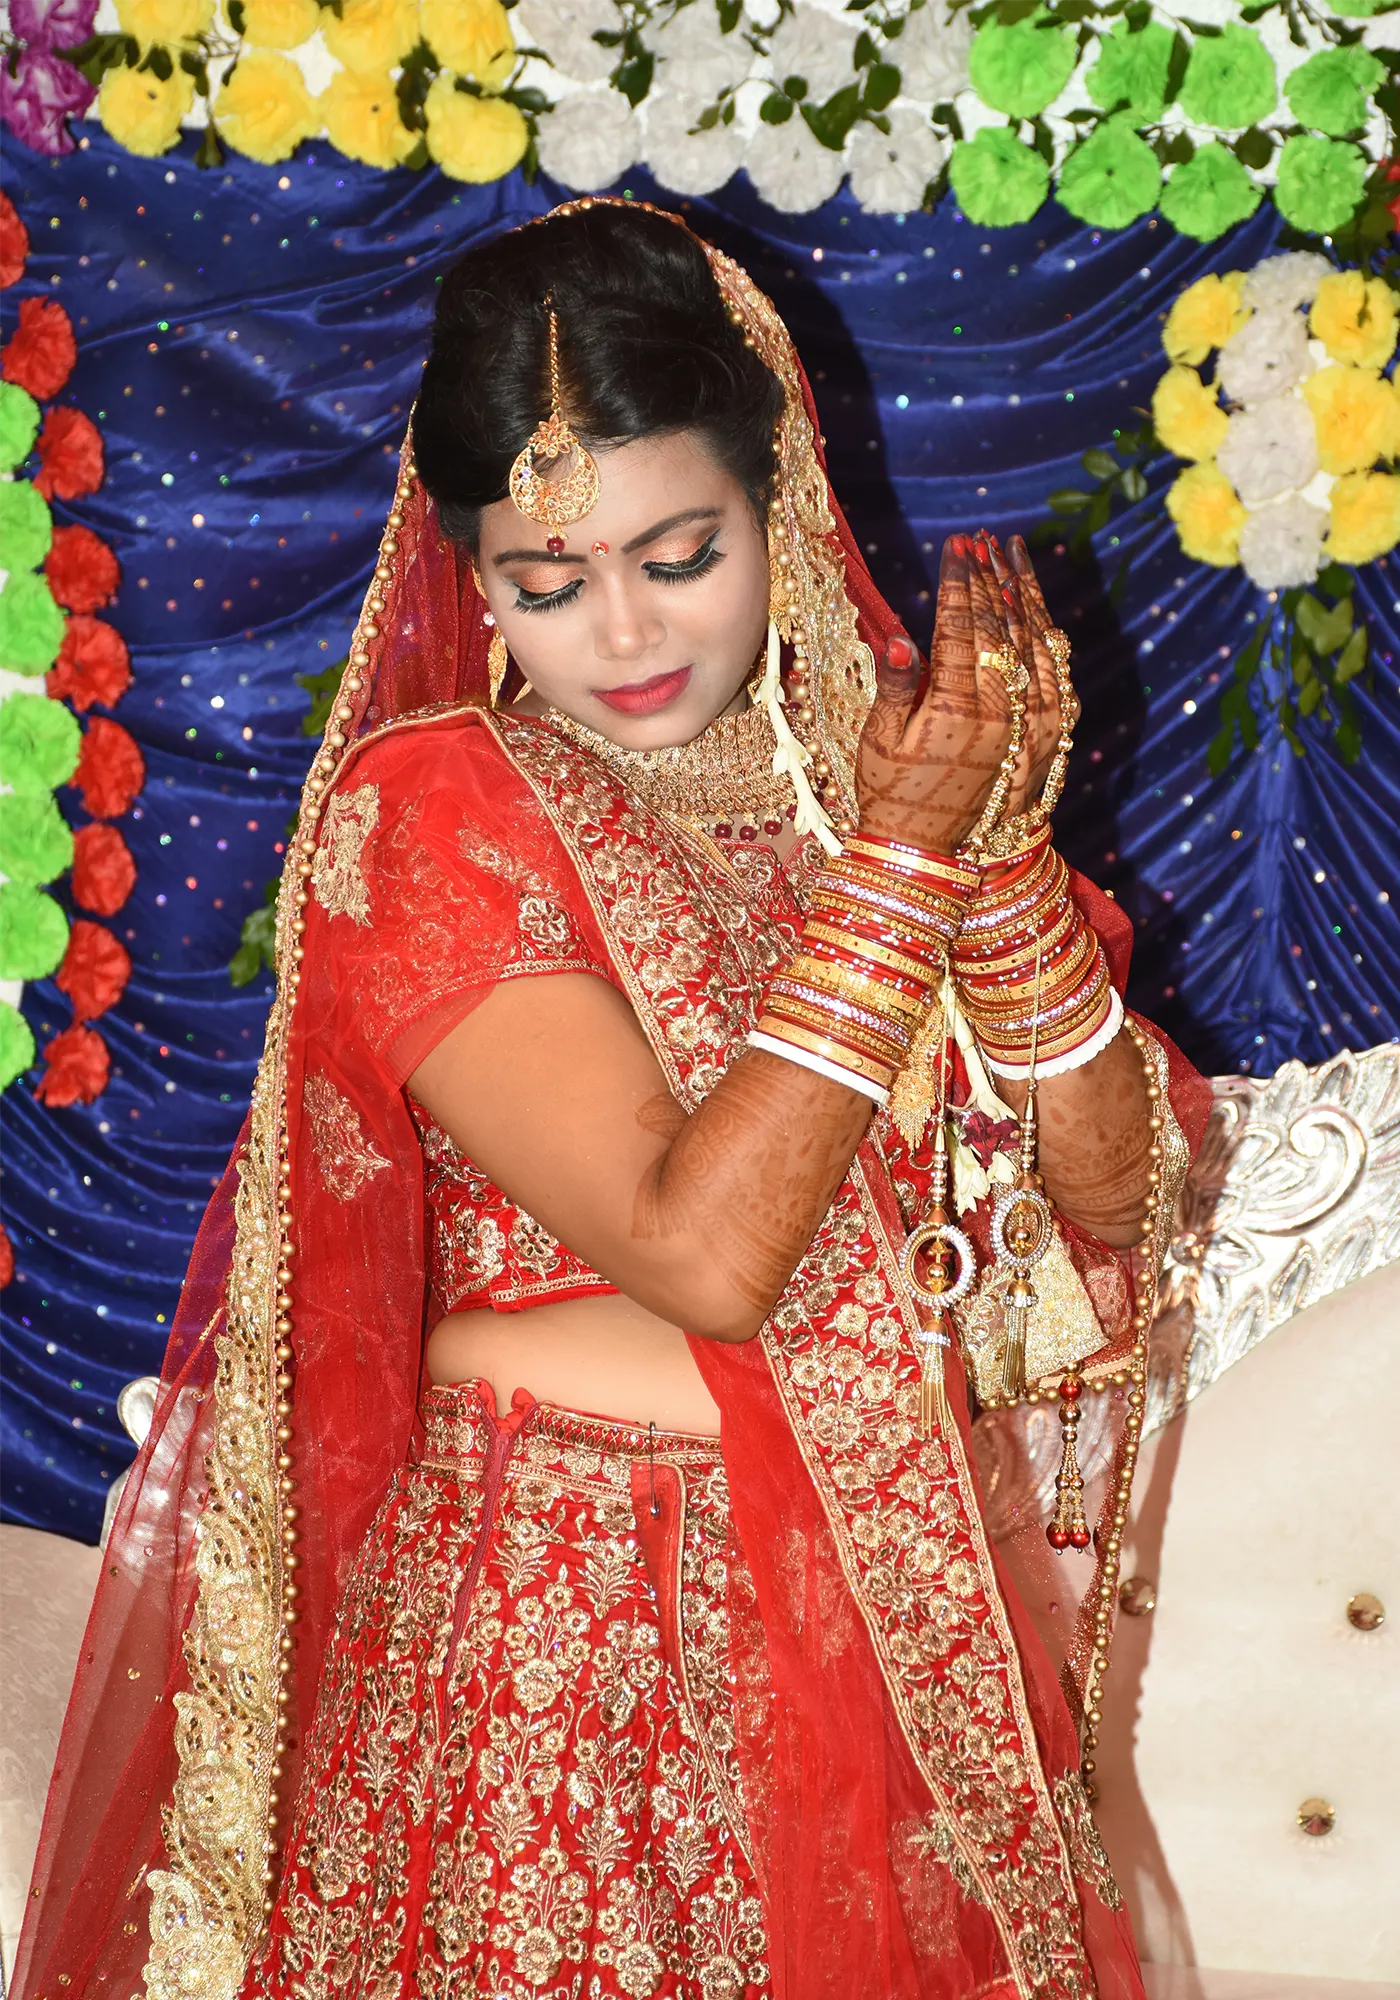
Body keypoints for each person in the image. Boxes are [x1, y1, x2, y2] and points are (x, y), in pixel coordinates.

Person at [14, 201, 1210, 2000]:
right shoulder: (437, 815)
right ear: (472, 576)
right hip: (560, 1649)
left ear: (783, 498)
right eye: (547, 581)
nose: (625, 631)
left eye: (679, 552)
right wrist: (903, 870)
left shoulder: (858, 786)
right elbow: (698, 1254)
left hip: (870, 1625)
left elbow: (1112, 1209)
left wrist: (1005, 861)